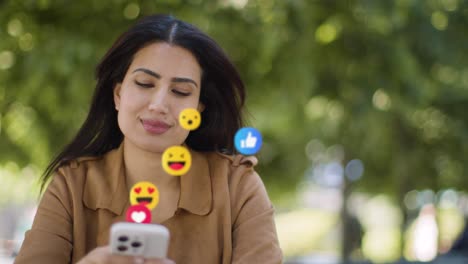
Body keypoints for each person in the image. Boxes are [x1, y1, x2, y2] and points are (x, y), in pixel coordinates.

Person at [14, 14, 282, 264]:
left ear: (199, 108)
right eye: (144, 84)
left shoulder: (238, 187)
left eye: (180, 91)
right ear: (118, 94)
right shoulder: (71, 185)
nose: (159, 104)